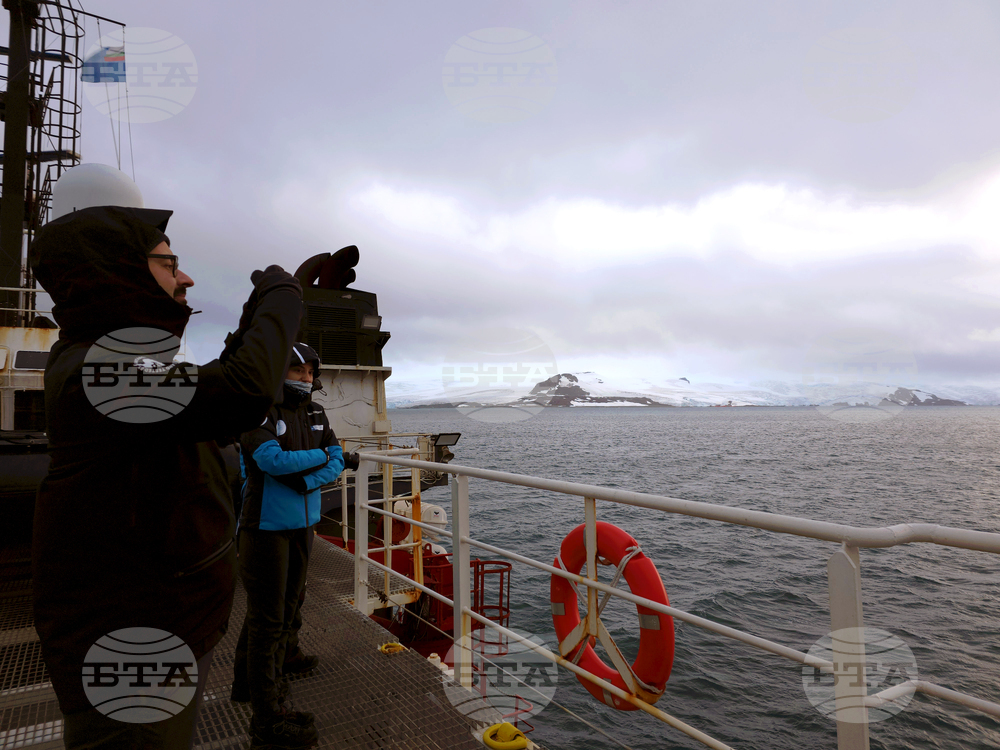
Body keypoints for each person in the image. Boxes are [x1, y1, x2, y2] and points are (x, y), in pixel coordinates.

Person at [28, 164, 304, 749]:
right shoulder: (100, 373)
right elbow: (242, 392)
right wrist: (284, 298)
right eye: (169, 263)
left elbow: (212, 392)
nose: (187, 279)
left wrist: (252, 319)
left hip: (157, 619)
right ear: (121, 270)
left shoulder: (101, 362)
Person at [231, 342, 345, 749]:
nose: (306, 379)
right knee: (267, 617)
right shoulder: (260, 412)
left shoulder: (316, 412)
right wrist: (318, 460)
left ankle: (249, 682)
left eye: (311, 373)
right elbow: (270, 461)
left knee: (292, 601)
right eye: (298, 371)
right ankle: (267, 715)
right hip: (264, 527)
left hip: (303, 523)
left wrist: (308, 477)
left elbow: (336, 459)